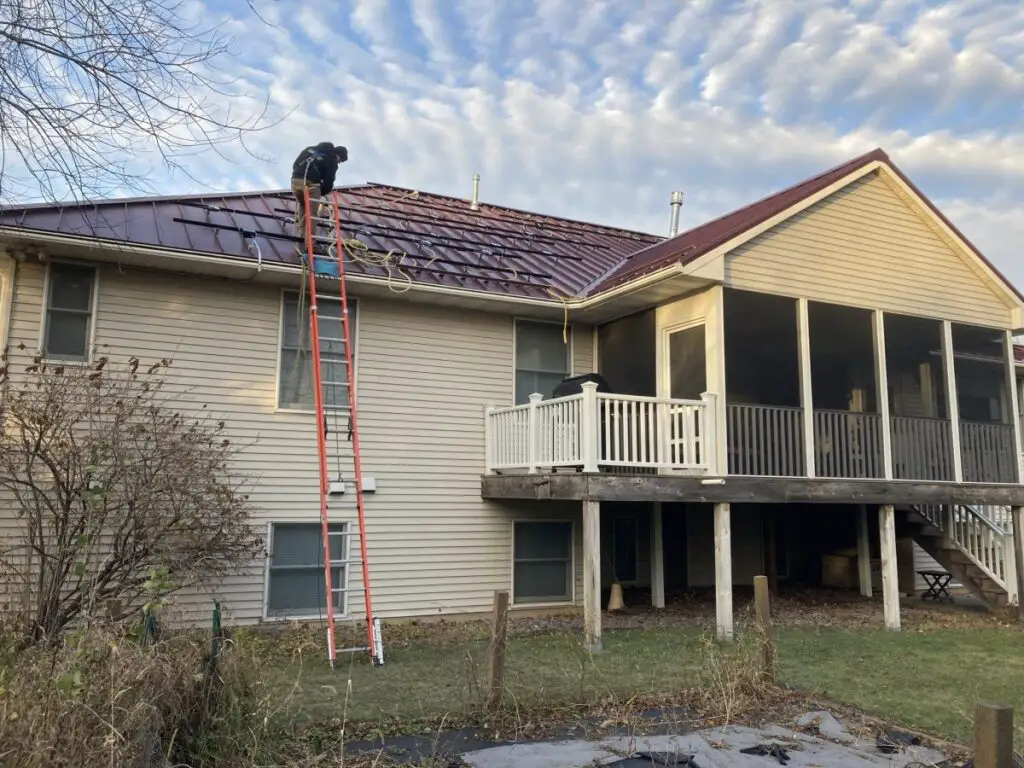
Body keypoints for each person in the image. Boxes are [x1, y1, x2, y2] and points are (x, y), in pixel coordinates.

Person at [290, 142, 348, 252]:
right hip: (311, 184)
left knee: (303, 206)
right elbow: (328, 181)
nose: (339, 162)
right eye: (340, 160)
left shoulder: (310, 149)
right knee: (312, 213)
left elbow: (295, 165)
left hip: (295, 181)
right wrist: (321, 192)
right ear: (338, 155)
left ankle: (301, 235)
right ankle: (311, 244)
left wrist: (299, 176)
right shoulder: (332, 160)